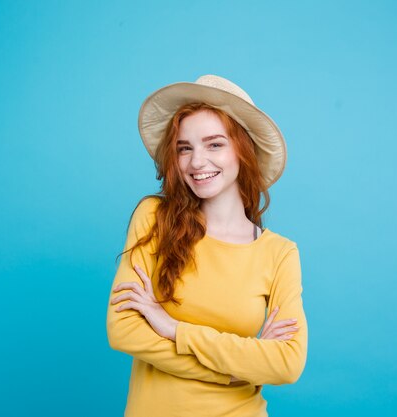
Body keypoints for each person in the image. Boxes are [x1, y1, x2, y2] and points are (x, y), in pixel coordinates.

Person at [106, 75, 308, 417]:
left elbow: (287, 363)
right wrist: (236, 368)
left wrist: (174, 329)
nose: (197, 162)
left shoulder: (280, 254)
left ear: (242, 151)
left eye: (214, 144)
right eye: (185, 148)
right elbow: (124, 331)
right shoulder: (154, 218)